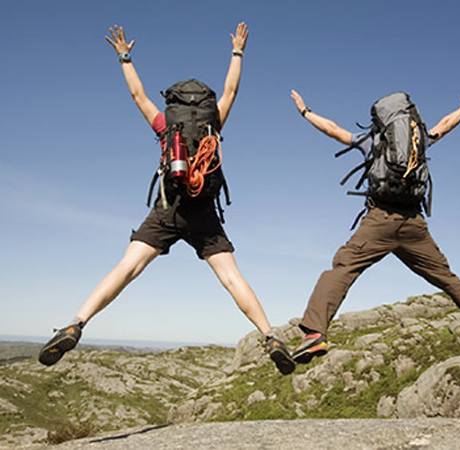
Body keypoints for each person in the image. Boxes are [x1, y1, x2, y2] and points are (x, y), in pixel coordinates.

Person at [38, 23, 295, 375]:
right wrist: (237, 52)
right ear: (203, 106)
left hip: (167, 208)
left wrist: (125, 58)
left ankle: (76, 323)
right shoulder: (212, 124)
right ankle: (270, 337)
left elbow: (138, 96)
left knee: (127, 268)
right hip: (203, 210)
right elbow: (231, 89)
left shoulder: (165, 126)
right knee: (232, 278)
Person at [289, 82, 460, 364]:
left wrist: (306, 112)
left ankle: (314, 334)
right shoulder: (418, 141)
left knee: (342, 269)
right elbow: (446, 123)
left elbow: (334, 129)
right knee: (448, 278)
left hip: (380, 220)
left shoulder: (373, 141)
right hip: (414, 224)